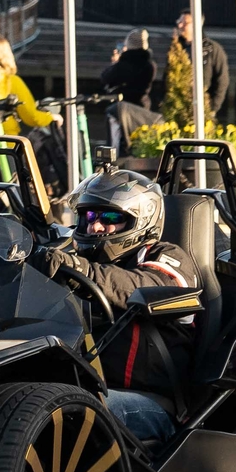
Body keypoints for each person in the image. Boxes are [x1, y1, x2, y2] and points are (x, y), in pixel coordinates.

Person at [39, 170, 199, 397]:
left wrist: (81, 271)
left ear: (141, 219)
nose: (95, 227)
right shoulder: (74, 257)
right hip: (78, 389)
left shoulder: (166, 256)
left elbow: (144, 285)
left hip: (146, 400)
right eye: (90, 217)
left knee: (64, 403)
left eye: (110, 218)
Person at [171, 12, 231, 122]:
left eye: (184, 23)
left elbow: (222, 80)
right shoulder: (176, 49)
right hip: (178, 108)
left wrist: (212, 108)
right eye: (179, 22)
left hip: (204, 107)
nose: (180, 26)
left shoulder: (212, 49)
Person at [101, 30, 155, 106]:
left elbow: (106, 78)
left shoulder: (125, 64)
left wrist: (115, 63)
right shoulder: (150, 65)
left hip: (123, 108)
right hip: (142, 106)